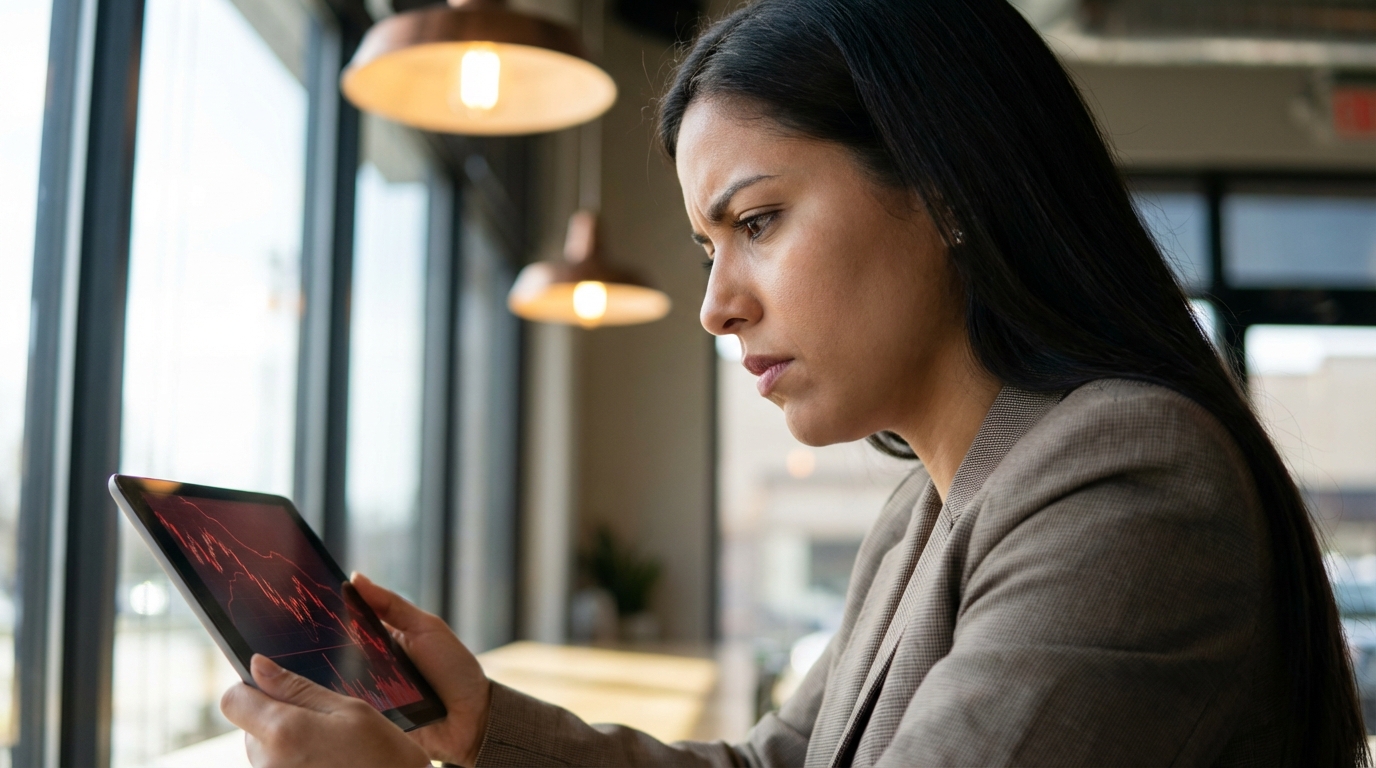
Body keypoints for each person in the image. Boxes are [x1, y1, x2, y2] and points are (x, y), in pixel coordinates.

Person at [220, 0, 1370, 765]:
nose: (719, 306)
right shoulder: (931, 503)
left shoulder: (1124, 477)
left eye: (757, 220)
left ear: (947, 190)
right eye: (707, 249)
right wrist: (474, 723)